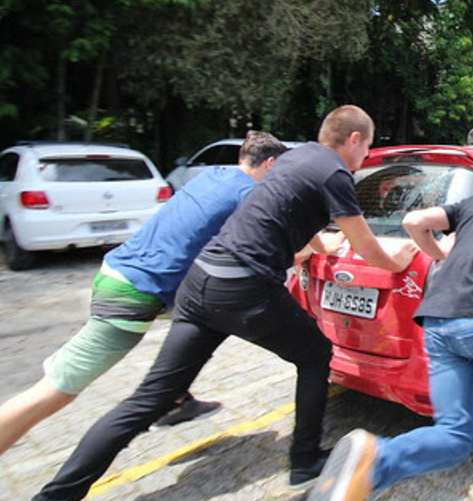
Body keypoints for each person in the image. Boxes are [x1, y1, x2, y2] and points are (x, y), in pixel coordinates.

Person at [22, 106, 418, 501]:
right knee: (316, 354)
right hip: (244, 288)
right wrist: (400, 258)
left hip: (199, 283)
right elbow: (368, 246)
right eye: (367, 146)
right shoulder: (335, 171)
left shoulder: (296, 157)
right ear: (353, 139)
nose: (366, 156)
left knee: (146, 402)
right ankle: (305, 461)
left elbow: (285, 211)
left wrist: (321, 245)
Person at [301, 161, 473, 501]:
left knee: (454, 436)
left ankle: (376, 461)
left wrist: (440, 254)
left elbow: (413, 222)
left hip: (437, 321)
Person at [0, 130, 287, 456]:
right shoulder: (248, 193)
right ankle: (165, 399)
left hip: (124, 274)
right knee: (56, 390)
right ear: (271, 164)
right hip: (134, 291)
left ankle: (176, 398)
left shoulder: (214, 176)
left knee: (206, 320)